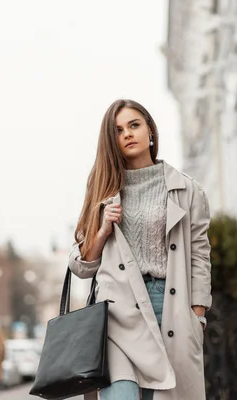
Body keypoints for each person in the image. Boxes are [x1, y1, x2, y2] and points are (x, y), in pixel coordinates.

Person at [69, 99, 212, 400]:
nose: (127, 134)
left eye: (134, 125)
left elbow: (199, 253)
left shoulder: (187, 189)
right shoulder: (101, 188)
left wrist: (198, 313)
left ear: (150, 130)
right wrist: (103, 229)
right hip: (117, 311)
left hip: (168, 305)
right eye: (118, 130)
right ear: (113, 142)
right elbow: (81, 266)